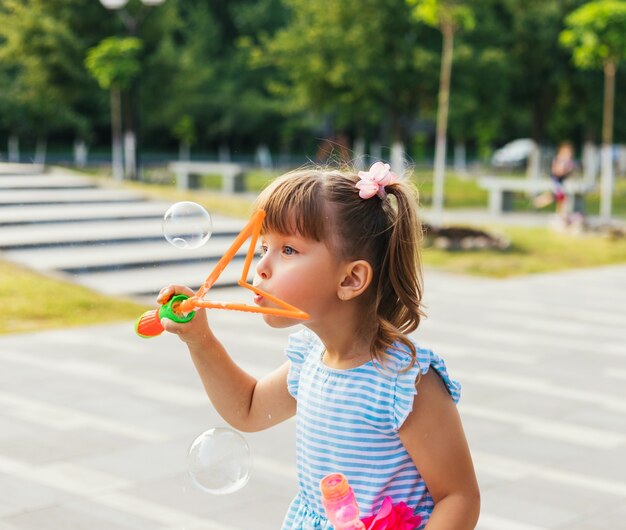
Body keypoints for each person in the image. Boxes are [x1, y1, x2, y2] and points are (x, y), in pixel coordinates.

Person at [158, 162, 480, 529]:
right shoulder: (310, 359)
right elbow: (246, 409)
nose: (261, 267)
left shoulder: (404, 384)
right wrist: (199, 338)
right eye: (264, 246)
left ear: (351, 279)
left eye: (289, 250)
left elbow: (458, 498)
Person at [533, 141, 576, 218]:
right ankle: (539, 202)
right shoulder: (560, 159)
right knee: (559, 197)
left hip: (561, 180)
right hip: (557, 179)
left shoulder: (565, 159)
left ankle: (539, 202)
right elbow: (557, 171)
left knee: (558, 197)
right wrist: (566, 170)